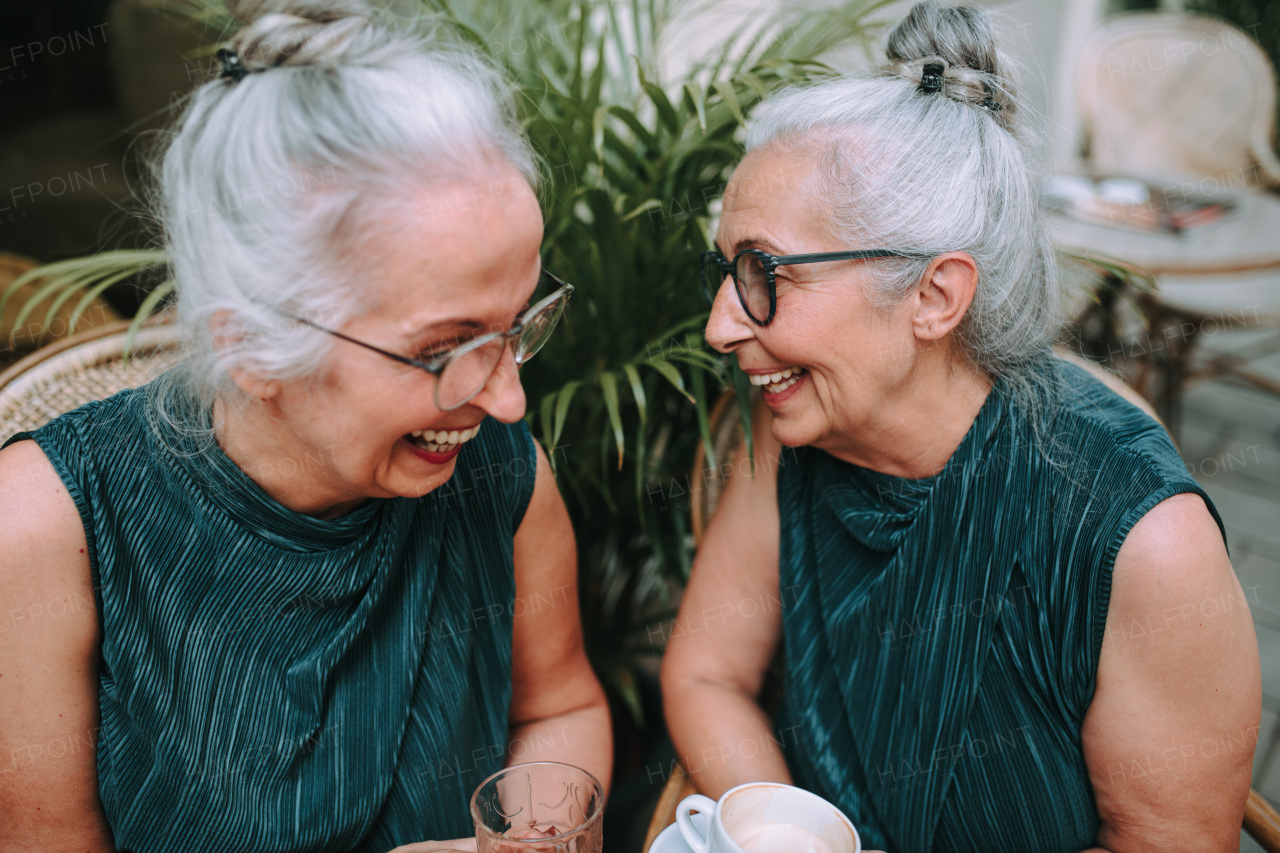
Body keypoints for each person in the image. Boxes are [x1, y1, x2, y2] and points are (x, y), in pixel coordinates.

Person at [0, 2, 610, 851]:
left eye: (517, 325)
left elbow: (563, 705)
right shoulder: (44, 530)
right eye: (445, 349)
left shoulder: (501, 471)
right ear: (249, 344)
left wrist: (538, 838)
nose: (508, 401)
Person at [661, 2, 1260, 851]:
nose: (722, 325)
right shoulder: (797, 428)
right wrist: (785, 827)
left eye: (764, 273)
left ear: (935, 296)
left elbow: (1172, 842)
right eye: (725, 270)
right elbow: (706, 671)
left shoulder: (1141, 541)